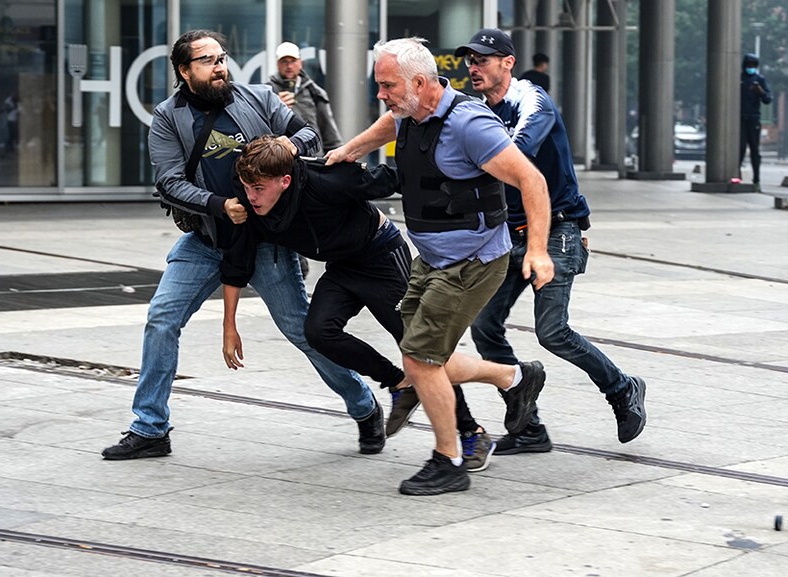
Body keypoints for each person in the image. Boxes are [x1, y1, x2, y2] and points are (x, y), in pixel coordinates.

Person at [102, 29, 382, 460]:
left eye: (222, 58)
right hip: (206, 239)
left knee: (300, 330)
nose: (220, 67)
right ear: (183, 70)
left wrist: (287, 143)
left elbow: (309, 136)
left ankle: (364, 407)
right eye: (208, 61)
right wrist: (218, 205)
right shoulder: (167, 117)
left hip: (268, 241)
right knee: (161, 318)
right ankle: (150, 428)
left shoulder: (258, 98)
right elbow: (168, 182)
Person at [327, 37, 554, 496]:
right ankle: (514, 377)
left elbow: (532, 179)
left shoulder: (470, 125)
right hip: (431, 261)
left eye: (388, 85)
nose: (382, 94)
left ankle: (449, 460)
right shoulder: (411, 112)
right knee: (425, 358)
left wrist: (539, 251)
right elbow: (386, 125)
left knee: (419, 358)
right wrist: (348, 151)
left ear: (418, 82)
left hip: (474, 261)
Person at [221, 136, 523, 472]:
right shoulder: (248, 203)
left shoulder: (323, 180)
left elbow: (388, 179)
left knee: (423, 351)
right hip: (342, 268)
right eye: (247, 187)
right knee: (318, 331)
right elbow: (238, 261)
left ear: (285, 180)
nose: (251, 196)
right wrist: (229, 325)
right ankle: (398, 383)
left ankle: (472, 432)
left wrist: (454, 190)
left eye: (259, 189)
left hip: (379, 255)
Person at [451, 28, 646, 454]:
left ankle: (622, 388)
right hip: (510, 235)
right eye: (470, 60)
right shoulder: (479, 110)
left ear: (507, 62)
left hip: (557, 229)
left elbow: (516, 151)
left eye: (482, 60)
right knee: (485, 325)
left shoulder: (531, 99)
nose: (473, 68)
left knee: (552, 331)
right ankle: (530, 428)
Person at [268, 42, 343, 155]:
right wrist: (275, 107)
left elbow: (330, 134)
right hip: (279, 161)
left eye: (293, 61)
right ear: (278, 64)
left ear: (300, 63)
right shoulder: (267, 93)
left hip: (311, 161)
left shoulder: (314, 92)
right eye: (284, 62)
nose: (289, 66)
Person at [740, 53, 772, 188]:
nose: (750, 67)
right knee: (739, 149)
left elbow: (767, 99)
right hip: (740, 119)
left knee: (754, 150)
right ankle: (736, 176)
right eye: (748, 65)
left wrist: (760, 91)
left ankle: (756, 179)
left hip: (753, 119)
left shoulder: (759, 79)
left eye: (753, 65)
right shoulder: (739, 79)